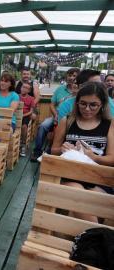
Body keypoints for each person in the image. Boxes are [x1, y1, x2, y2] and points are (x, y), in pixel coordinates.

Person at [51, 81, 114, 222]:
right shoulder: (67, 121)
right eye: (83, 103)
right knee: (78, 194)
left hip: (98, 177)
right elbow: (53, 150)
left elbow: (111, 159)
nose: (87, 109)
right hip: (70, 174)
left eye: (93, 105)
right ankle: (93, 240)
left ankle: (77, 237)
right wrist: (62, 150)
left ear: (102, 105)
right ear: (77, 103)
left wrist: (93, 156)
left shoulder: (109, 125)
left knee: (88, 203)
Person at [30, 68, 80, 161]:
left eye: (74, 76)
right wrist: (55, 114)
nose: (71, 78)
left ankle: (51, 152)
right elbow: (52, 104)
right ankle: (37, 151)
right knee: (43, 126)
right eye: (69, 75)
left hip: (72, 119)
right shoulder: (60, 89)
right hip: (56, 116)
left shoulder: (80, 92)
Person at [19, 82, 35, 157]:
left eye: (26, 88)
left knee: (24, 127)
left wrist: (23, 115)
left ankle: (23, 145)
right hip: (16, 114)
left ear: (29, 90)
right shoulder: (16, 96)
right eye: (23, 87)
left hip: (25, 115)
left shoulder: (31, 98)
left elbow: (31, 111)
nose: (24, 89)